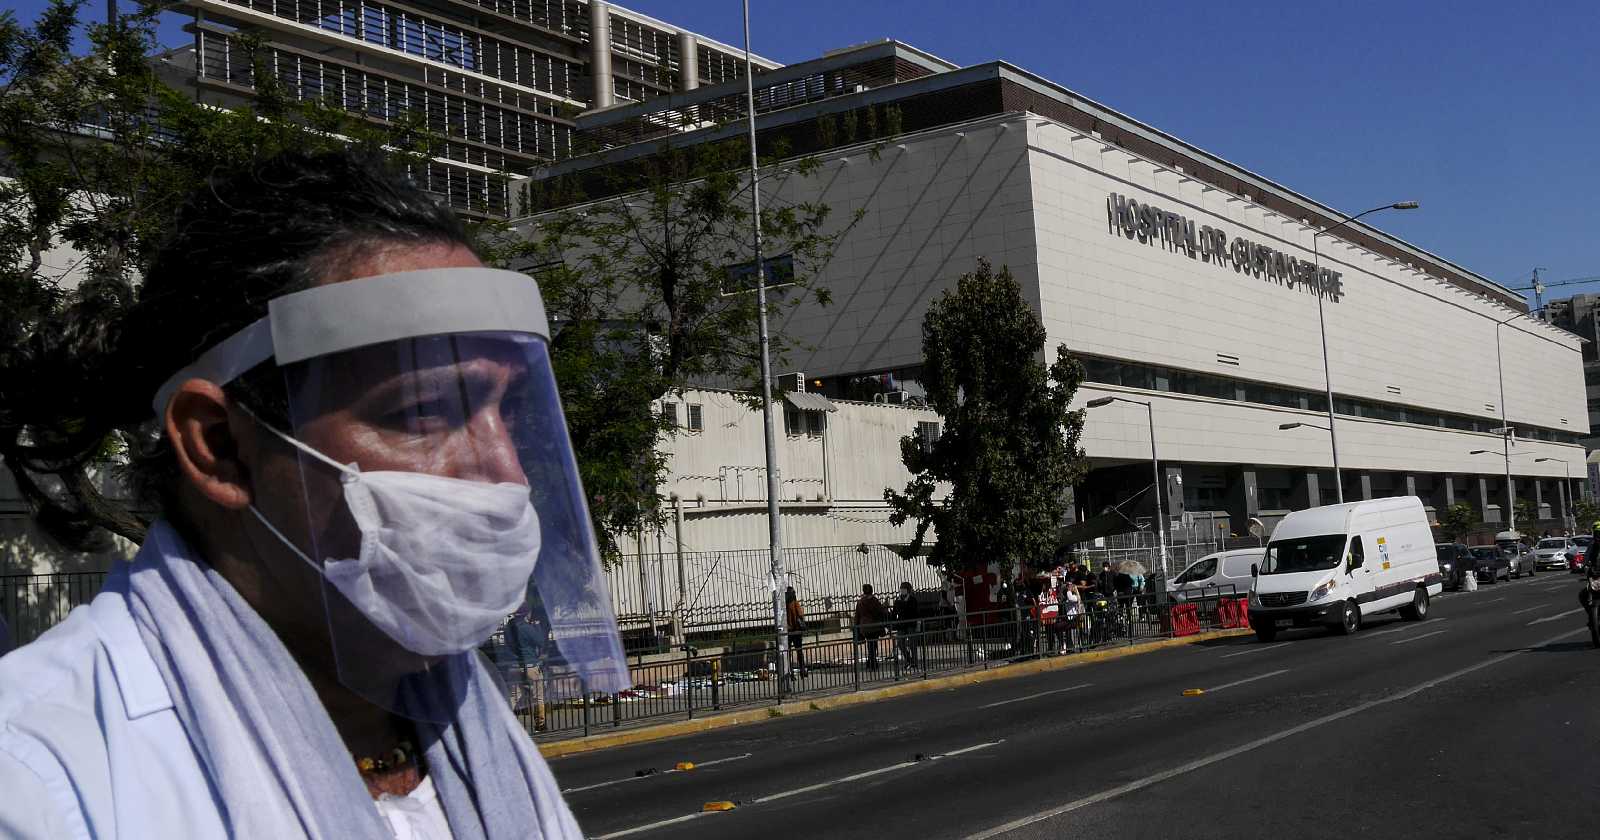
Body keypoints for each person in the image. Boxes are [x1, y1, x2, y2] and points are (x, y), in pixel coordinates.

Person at [0, 150, 628, 839]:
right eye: (424, 410)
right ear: (219, 446)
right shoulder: (42, 779)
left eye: (508, 410)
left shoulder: (471, 721)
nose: (507, 475)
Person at [854, 584, 889, 670]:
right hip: (874, 626)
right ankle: (872, 663)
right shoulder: (875, 601)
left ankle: (870, 662)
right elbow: (880, 612)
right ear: (872, 591)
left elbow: (857, 616)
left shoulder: (860, 602)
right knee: (873, 645)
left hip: (864, 627)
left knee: (870, 644)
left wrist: (856, 627)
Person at [891, 581, 920, 667]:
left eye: (904, 589)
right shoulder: (897, 600)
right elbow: (894, 612)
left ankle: (914, 662)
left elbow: (913, 612)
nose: (902, 590)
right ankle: (909, 660)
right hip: (901, 625)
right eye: (901, 589)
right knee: (900, 643)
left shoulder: (912, 600)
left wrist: (917, 624)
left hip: (911, 624)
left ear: (908, 590)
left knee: (912, 644)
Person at [784, 587, 806, 677]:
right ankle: (802, 670)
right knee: (799, 651)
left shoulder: (784, 605)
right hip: (796, 631)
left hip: (788, 632)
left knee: (788, 653)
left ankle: (790, 672)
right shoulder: (795, 603)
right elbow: (800, 615)